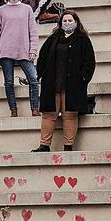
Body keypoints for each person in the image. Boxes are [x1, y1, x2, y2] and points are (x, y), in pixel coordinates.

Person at [32, 10, 95, 153]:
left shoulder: (83, 39)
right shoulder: (54, 38)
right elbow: (42, 57)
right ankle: (44, 145)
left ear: (76, 22)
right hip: (52, 83)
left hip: (73, 85)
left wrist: (83, 78)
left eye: (70, 21)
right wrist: (40, 74)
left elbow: (89, 62)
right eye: (65, 21)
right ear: (60, 23)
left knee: (70, 114)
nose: (67, 23)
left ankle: (68, 145)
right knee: (49, 114)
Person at [0, 0, 40, 117]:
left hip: (23, 50)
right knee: (9, 82)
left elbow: (33, 31)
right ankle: (13, 110)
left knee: (34, 80)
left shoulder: (27, 9)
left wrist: (33, 49)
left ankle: (35, 108)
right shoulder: (1, 10)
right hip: (5, 51)